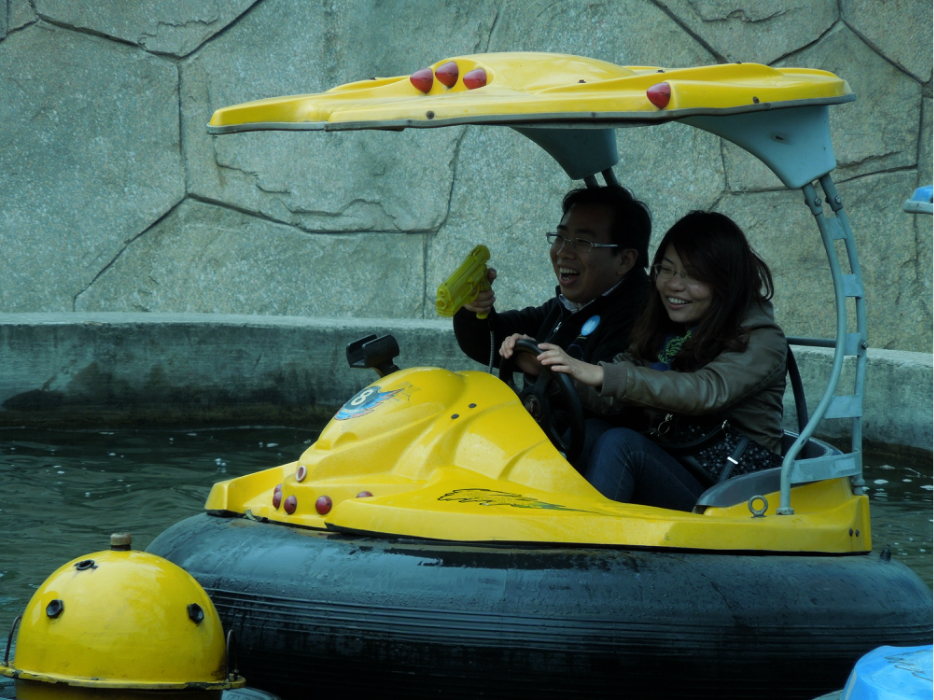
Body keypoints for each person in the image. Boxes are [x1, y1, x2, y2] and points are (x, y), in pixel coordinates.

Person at [534, 211, 787, 511]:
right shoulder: (668, 327)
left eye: (693, 275)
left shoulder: (761, 336)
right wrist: (552, 374)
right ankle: (544, 520)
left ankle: (583, 539)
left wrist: (603, 374)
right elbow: (615, 397)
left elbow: (705, 391)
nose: (673, 285)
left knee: (623, 445)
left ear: (726, 280)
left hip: (738, 490)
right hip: (679, 459)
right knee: (593, 431)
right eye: (666, 270)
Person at [453, 185, 652, 376]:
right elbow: (488, 342)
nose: (563, 252)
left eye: (582, 242)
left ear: (624, 260)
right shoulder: (568, 307)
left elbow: (609, 392)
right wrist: (473, 308)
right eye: (560, 237)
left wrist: (544, 372)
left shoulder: (643, 319)